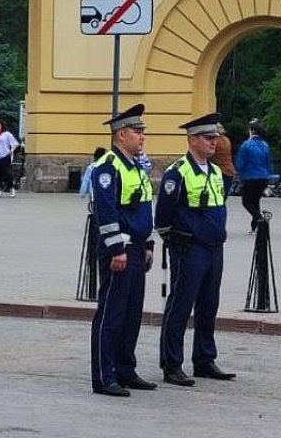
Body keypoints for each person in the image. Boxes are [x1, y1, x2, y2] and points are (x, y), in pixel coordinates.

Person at [156, 112, 236, 386]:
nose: (215, 142)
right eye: (208, 137)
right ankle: (172, 363)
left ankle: (204, 359)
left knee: (208, 305)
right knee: (180, 305)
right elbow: (163, 216)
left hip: (214, 248)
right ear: (192, 140)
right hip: (189, 248)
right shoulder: (177, 172)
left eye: (215, 137)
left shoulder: (214, 171)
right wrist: (178, 240)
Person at [89, 103, 157, 398]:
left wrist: (149, 244)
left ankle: (125, 370)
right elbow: (106, 212)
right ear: (120, 135)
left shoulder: (137, 167)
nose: (142, 136)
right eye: (136, 131)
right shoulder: (107, 167)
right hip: (120, 252)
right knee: (111, 314)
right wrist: (117, 249)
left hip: (137, 249)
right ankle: (105, 377)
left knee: (131, 314)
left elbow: (144, 209)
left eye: (142, 131)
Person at [235, 119, 274, 232]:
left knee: (246, 201)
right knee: (256, 201)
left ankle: (259, 218)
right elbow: (268, 162)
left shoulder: (246, 145)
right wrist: (269, 176)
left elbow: (240, 163)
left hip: (250, 177)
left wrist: (239, 174)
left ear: (252, 131)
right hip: (263, 177)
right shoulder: (265, 145)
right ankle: (255, 226)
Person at [0, 120, 20, 196]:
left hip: (4, 156)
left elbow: (15, 143)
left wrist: (11, 150)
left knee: (6, 173)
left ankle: (11, 188)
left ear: (2, 126)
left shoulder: (7, 134)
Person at [211, 122, 237, 196]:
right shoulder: (226, 139)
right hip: (229, 170)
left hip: (220, 171)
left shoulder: (216, 141)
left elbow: (210, 155)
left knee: (217, 197)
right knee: (223, 196)